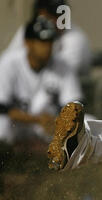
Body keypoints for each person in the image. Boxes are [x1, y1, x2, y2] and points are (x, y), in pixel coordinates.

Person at [0, 15, 83, 146]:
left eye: (50, 41)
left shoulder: (63, 65)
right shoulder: (9, 62)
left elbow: (74, 106)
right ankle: (6, 159)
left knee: (86, 122)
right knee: (2, 124)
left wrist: (57, 122)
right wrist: (37, 119)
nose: (48, 47)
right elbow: (2, 108)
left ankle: (60, 162)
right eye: (43, 41)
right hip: (18, 124)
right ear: (28, 43)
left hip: (48, 125)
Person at [6, 0, 92, 76]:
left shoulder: (75, 38)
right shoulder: (29, 30)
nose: (55, 20)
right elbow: (8, 62)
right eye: (49, 16)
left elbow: (62, 74)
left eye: (59, 15)